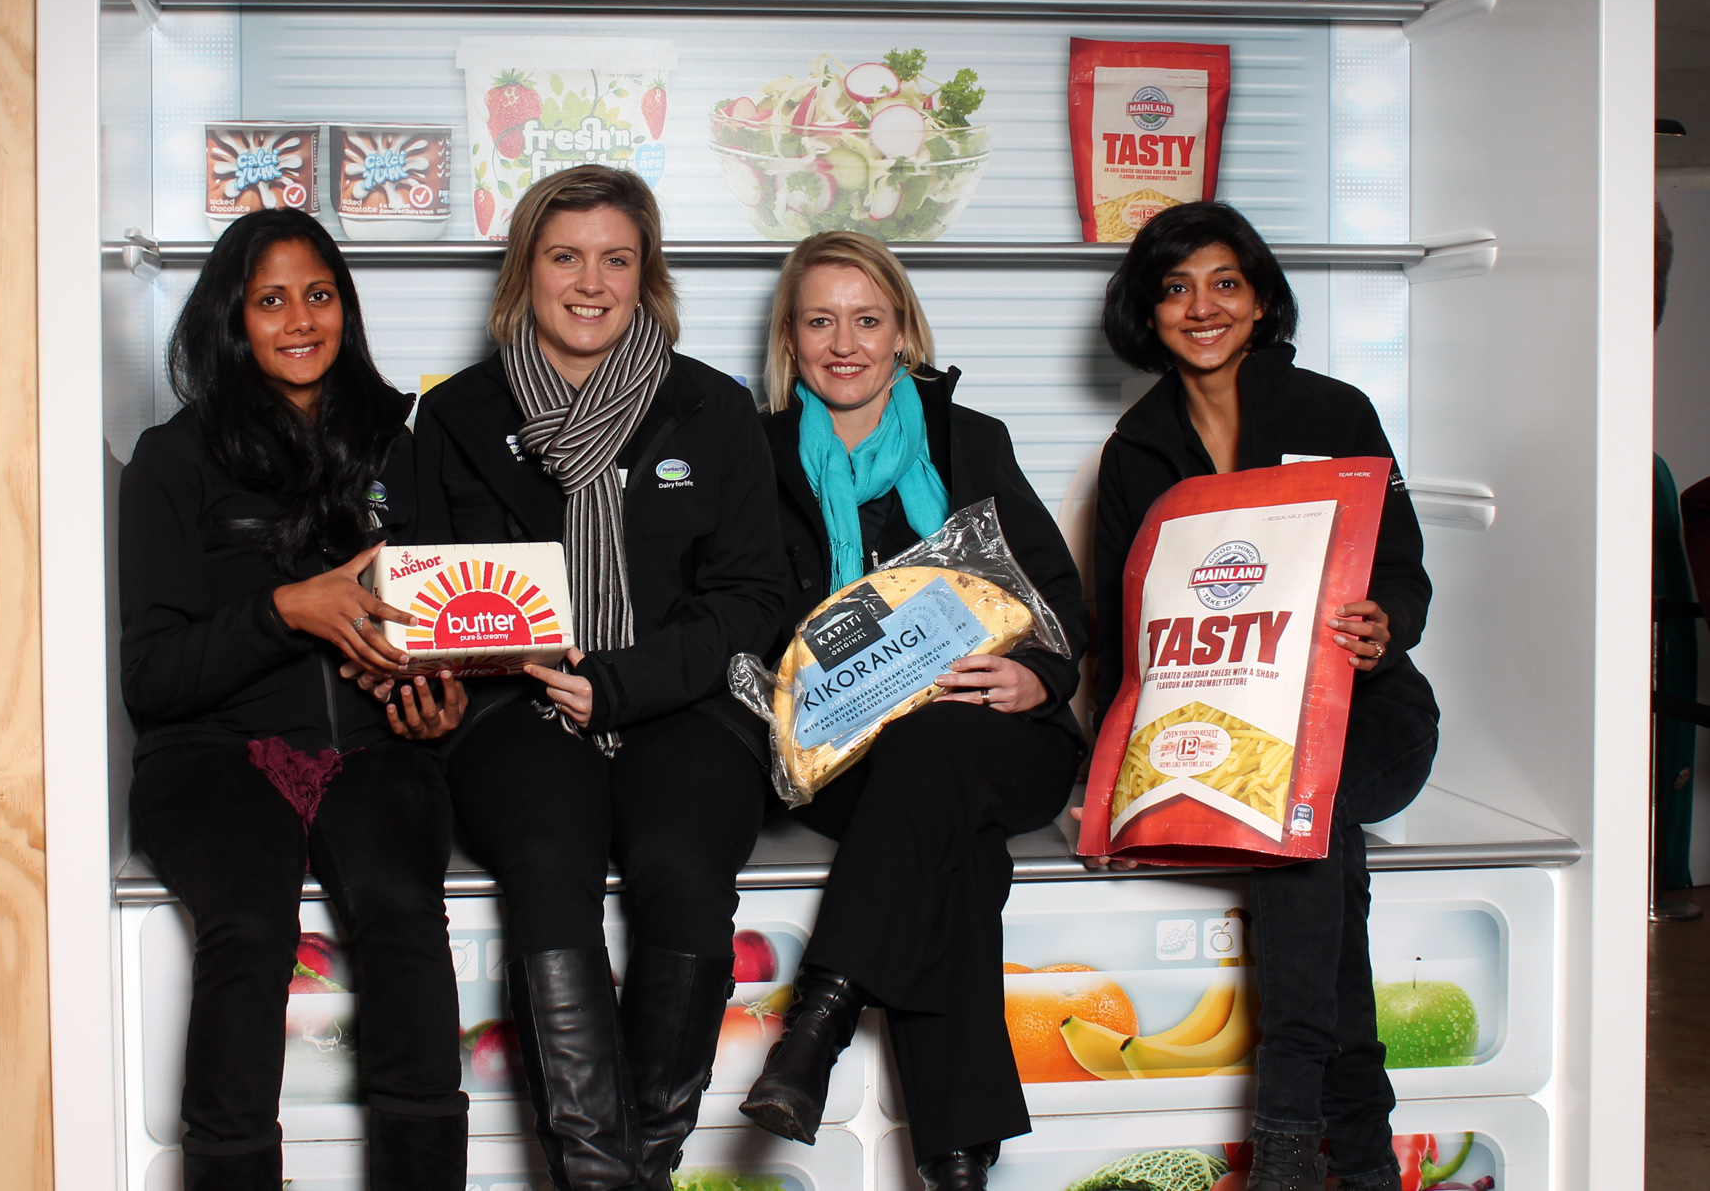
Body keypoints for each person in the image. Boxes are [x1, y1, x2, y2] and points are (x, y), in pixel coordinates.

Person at [411, 166, 786, 1191]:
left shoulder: (711, 407)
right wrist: (470, 662)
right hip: (512, 707)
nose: (590, 281)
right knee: (543, 856)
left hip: (683, 703)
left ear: (644, 274)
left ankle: (641, 1167)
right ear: (524, 269)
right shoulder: (453, 415)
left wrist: (623, 681)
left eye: (615, 258)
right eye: (563, 255)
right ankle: (596, 1173)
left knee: (684, 865)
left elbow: (754, 595)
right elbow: (428, 589)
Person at [1086, 202, 1439, 1191]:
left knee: (1305, 802)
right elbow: (1125, 637)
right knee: (1309, 823)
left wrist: (1382, 626)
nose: (1199, 306)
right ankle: (1353, 1160)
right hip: (1227, 736)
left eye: (1223, 282)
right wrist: (1107, 771)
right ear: (1145, 312)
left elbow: (1404, 571)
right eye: (1172, 286)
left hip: (1369, 718)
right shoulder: (1135, 448)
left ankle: (1282, 1128)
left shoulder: (1332, 411)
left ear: (1260, 299)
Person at [121, 208, 470, 1191]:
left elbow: (440, 625)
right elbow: (152, 676)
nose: (299, 317)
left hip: (373, 750)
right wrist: (287, 609)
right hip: (214, 755)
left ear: (345, 309)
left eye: (319, 293)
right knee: (248, 924)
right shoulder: (171, 460)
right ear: (233, 320)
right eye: (269, 299)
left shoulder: (398, 449)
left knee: (405, 909)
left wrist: (441, 707)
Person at [738, 232, 1087, 1191]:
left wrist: (1041, 680)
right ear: (791, 337)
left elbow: (1058, 595)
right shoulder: (753, 454)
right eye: (819, 321)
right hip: (841, 758)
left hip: (999, 733)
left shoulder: (969, 437)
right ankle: (958, 1163)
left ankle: (818, 1021)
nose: (843, 342)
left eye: (866, 319)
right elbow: (733, 613)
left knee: (940, 749)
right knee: (957, 851)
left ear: (903, 331)